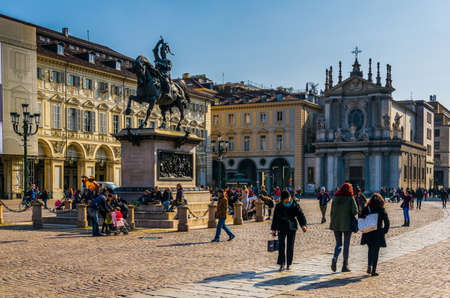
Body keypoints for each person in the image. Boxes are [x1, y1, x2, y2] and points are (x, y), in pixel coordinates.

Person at [271, 190, 307, 271]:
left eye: (289, 198)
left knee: (290, 246)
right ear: (283, 199)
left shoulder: (295, 204)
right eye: (286, 199)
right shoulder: (278, 206)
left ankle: (289, 263)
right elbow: (275, 218)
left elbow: (300, 215)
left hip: (292, 227)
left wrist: (303, 225)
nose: (288, 200)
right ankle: (282, 263)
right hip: (281, 227)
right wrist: (273, 229)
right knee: (281, 245)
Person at [330, 182, 358, 272]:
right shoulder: (350, 198)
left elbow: (331, 211)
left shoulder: (335, 197)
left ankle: (335, 257)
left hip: (336, 224)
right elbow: (355, 211)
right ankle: (344, 266)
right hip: (347, 224)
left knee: (338, 244)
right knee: (346, 245)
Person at [360, 193, 390, 276]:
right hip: (378, 233)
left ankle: (369, 265)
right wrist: (384, 231)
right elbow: (387, 222)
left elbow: (361, 217)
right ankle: (373, 270)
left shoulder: (367, 208)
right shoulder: (381, 209)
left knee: (370, 249)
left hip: (368, 232)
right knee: (376, 252)